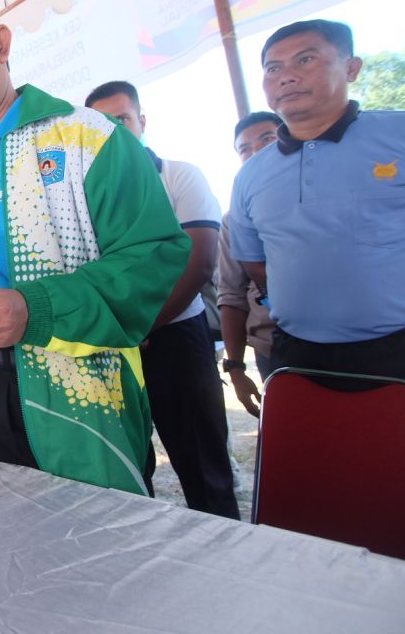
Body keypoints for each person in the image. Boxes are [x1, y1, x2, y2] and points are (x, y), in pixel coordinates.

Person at [0, 0, 190, 494]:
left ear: (1, 43)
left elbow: (154, 256)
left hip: (64, 404)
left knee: (85, 556)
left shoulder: (87, 138)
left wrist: (36, 309)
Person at [230, 18, 405, 577]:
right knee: (336, 504)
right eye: (273, 68)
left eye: (306, 59)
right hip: (307, 361)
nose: (286, 77)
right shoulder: (252, 177)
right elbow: (255, 263)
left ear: (350, 68)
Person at [86, 80, 238, 518]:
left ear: (142, 121)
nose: (114, 131)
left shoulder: (179, 175)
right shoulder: (85, 194)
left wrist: (140, 327)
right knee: (130, 464)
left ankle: (226, 564)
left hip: (174, 337)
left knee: (204, 467)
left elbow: (199, 263)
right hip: (116, 348)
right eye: (101, 124)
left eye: (123, 120)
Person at [216, 111, 282, 417]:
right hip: (274, 350)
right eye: (244, 148)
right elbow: (231, 295)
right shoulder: (234, 220)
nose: (256, 152)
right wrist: (237, 367)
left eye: (267, 139)